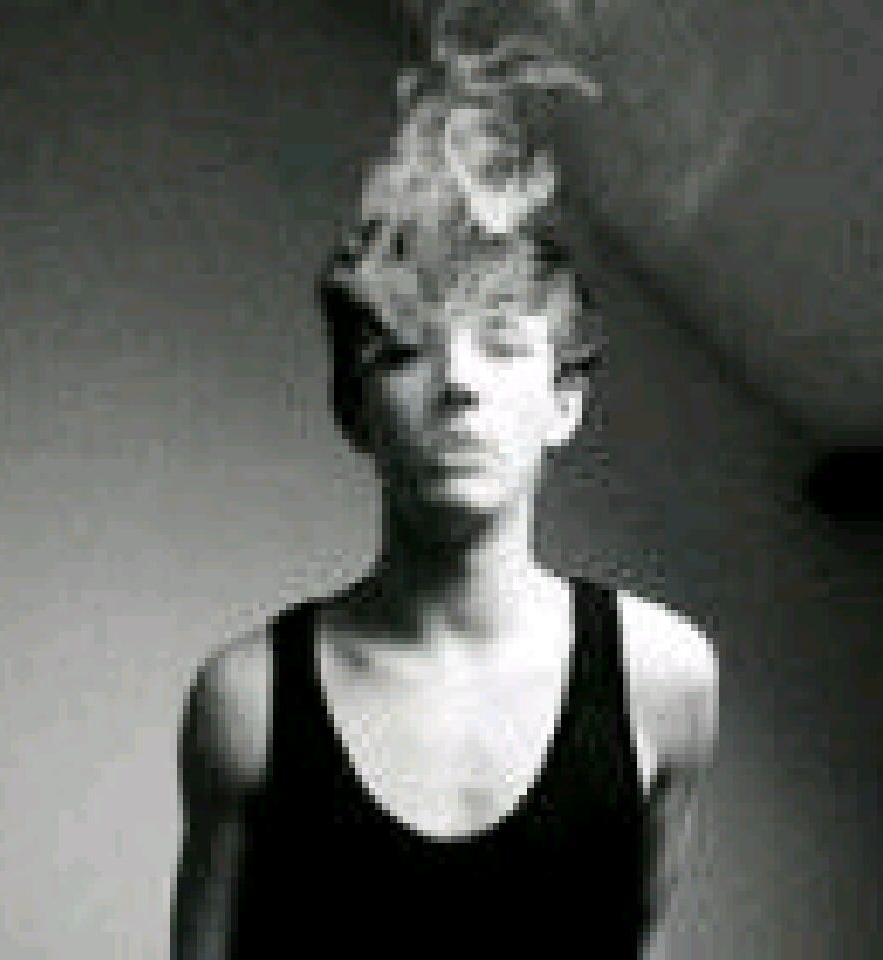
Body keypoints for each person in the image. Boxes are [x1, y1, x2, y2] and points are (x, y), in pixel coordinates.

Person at [171, 16, 717, 958]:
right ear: (354, 412)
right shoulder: (247, 699)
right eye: (404, 349)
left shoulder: (665, 679)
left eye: (501, 340)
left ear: (564, 401)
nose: (458, 381)